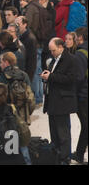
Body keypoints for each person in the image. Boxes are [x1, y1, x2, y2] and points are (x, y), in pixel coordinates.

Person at [41, 37, 78, 165]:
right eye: (51, 51)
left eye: (54, 50)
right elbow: (54, 75)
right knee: (54, 133)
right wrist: (47, 75)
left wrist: (51, 76)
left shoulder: (71, 60)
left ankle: (64, 158)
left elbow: (71, 79)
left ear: (61, 47)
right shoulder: (54, 59)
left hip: (62, 102)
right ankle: (56, 156)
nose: (52, 53)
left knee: (63, 134)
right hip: (52, 101)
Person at [72, 27, 88, 164]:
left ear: (80, 37)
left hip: (83, 95)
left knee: (86, 125)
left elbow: (79, 77)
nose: (75, 39)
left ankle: (79, 153)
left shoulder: (80, 54)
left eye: (76, 37)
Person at [15, 16, 38, 85]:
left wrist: (28, 76)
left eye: (18, 24)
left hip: (26, 72)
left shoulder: (30, 39)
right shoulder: (18, 36)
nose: (16, 27)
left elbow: (32, 61)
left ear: (25, 25)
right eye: (15, 24)